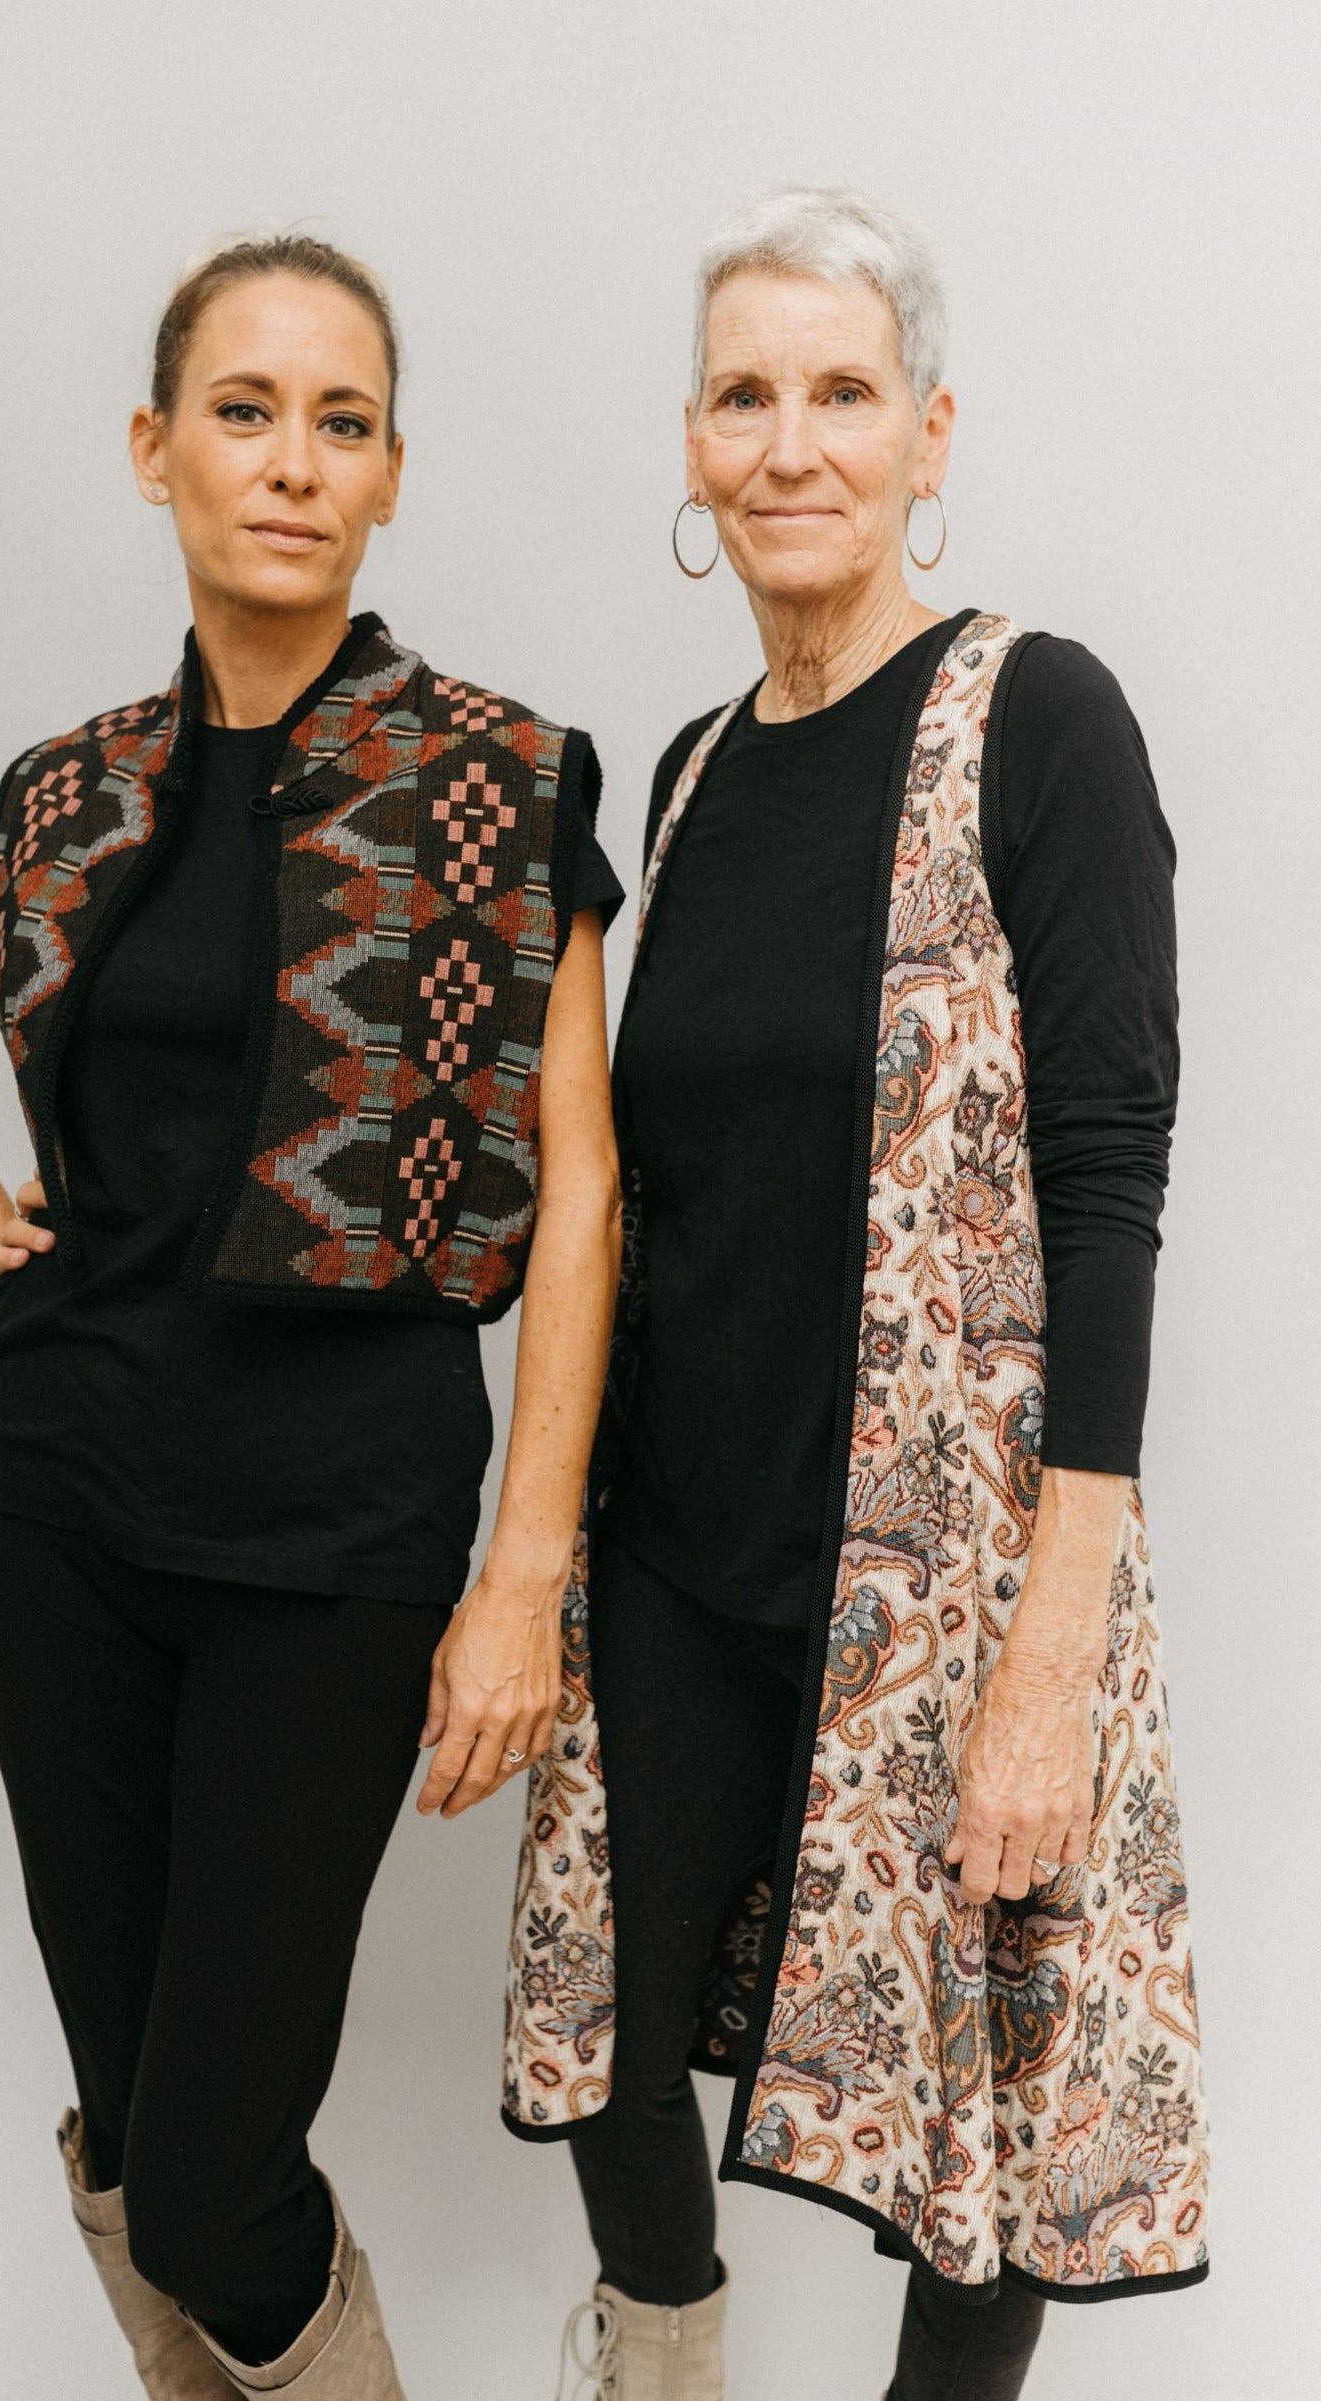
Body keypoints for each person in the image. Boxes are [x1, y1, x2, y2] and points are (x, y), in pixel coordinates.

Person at [0, 232, 624, 2401]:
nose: (290, 464)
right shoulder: (64, 796)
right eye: (245, 411)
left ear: (386, 479)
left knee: (207, 2165)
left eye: (341, 422)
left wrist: (524, 1573)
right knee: (134, 2124)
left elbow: (583, 1200)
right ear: (154, 450)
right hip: (53, 1509)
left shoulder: (503, 780)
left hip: (339, 1540)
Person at [503, 188, 1209, 2401]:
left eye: (837, 391)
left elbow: (1108, 1177)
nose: (787, 439)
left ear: (925, 430)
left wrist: (1052, 1648)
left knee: (965, 2114)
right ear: (692, 453)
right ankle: (663, 2359)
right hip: (685, 1561)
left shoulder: (1038, 718)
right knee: (600, 2030)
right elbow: (617, 1185)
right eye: (741, 394)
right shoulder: (693, 776)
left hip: (954, 1575)